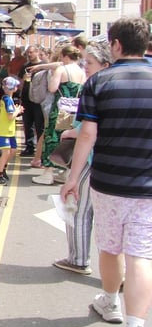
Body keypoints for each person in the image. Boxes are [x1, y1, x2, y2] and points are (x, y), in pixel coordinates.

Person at [60, 17, 152, 327]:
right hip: (148, 185)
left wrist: (72, 177)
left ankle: (111, 301)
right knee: (141, 256)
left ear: (115, 46)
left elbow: (86, 135)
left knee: (111, 247)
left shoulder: (100, 81)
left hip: (109, 181)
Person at [52, 40, 112, 275]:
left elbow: (87, 131)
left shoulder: (96, 86)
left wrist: (68, 132)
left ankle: (77, 259)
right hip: (115, 161)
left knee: (78, 208)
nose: (85, 66)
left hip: (92, 158)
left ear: (105, 63)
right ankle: (120, 272)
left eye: (90, 62)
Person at [32, 44, 85, 185]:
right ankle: (65, 171)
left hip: (60, 107)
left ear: (65, 56)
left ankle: (48, 173)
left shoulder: (62, 69)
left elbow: (52, 88)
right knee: (67, 138)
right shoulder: (81, 71)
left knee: (52, 137)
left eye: (61, 56)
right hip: (74, 109)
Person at [0, 76, 24, 185]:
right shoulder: (7, 99)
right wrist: (18, 110)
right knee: (6, 153)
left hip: (9, 131)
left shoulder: (8, 99)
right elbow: (11, 116)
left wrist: (16, 110)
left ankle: (3, 167)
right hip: (4, 131)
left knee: (13, 151)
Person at [18, 44, 44, 157]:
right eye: (28, 52)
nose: (29, 54)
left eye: (32, 52)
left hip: (39, 99)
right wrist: (23, 80)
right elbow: (19, 85)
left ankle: (40, 148)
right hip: (26, 98)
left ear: (37, 52)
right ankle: (29, 147)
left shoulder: (43, 65)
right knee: (27, 124)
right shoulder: (25, 66)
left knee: (39, 125)